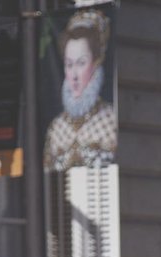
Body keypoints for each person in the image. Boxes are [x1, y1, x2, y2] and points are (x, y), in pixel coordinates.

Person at [43, 9, 117, 172]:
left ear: (96, 63)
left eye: (81, 63)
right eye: (69, 65)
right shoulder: (57, 128)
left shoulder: (111, 119)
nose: (74, 75)